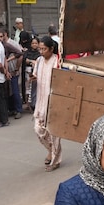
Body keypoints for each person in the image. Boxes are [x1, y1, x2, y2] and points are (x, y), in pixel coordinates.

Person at [32, 36, 61, 171]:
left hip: (54, 102)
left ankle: (55, 160)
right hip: (40, 102)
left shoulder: (58, 62)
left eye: (44, 49)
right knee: (38, 130)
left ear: (51, 49)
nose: (41, 52)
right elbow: (36, 76)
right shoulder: (38, 61)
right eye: (40, 49)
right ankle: (50, 151)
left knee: (54, 133)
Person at [0, 27, 24, 119]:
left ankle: (18, 110)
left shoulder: (9, 44)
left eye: (1, 36)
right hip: (3, 72)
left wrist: (15, 67)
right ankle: (11, 109)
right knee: (8, 92)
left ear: (5, 35)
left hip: (12, 71)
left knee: (15, 90)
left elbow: (20, 54)